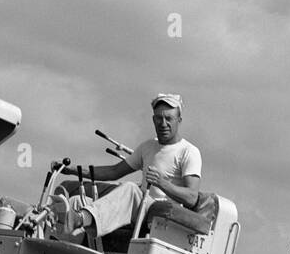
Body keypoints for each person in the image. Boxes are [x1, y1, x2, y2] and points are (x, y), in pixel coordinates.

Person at [58, 93, 202, 240]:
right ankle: (57, 236)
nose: (163, 124)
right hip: (140, 207)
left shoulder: (189, 152)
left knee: (131, 189)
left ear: (179, 120)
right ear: (153, 120)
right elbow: (114, 171)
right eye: (159, 118)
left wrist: (162, 183)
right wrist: (73, 170)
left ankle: (81, 218)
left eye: (169, 119)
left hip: (162, 217)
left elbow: (191, 197)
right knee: (77, 200)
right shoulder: (148, 146)